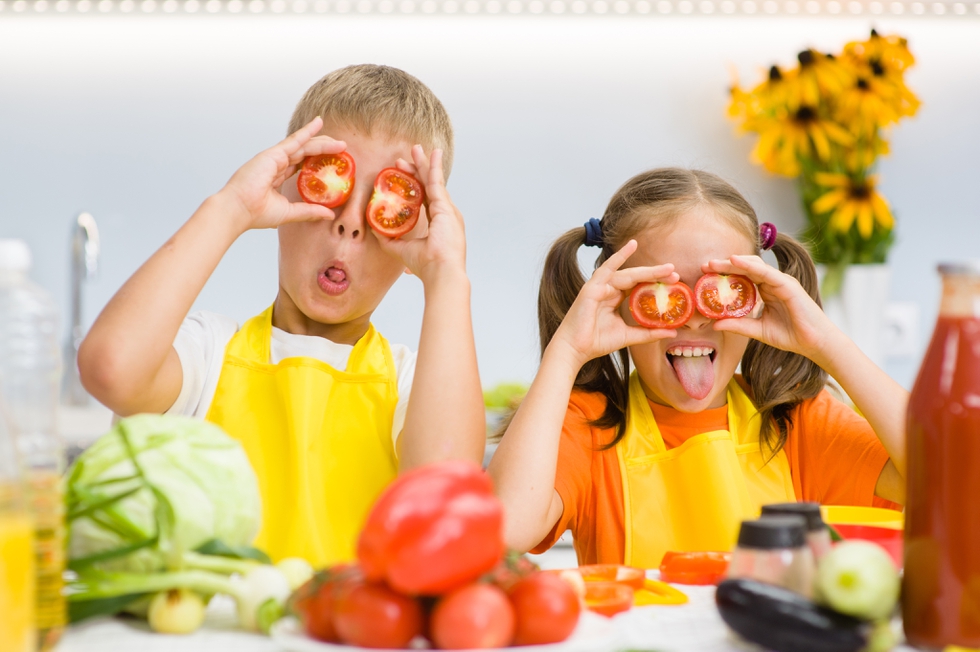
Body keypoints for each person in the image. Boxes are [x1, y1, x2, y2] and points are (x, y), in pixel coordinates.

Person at [78, 65, 485, 567]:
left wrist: (447, 277)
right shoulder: (206, 355)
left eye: (390, 205)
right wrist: (230, 208)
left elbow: (447, 500)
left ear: (415, 236)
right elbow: (110, 368)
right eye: (328, 183)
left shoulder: (411, 385)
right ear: (285, 189)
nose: (349, 225)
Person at [488, 168, 907, 568]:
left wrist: (829, 343)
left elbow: (954, 477)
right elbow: (506, 532)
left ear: (758, 296)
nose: (692, 318)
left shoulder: (797, 424)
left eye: (724, 293)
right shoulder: (589, 426)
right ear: (616, 302)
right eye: (660, 295)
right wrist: (567, 350)